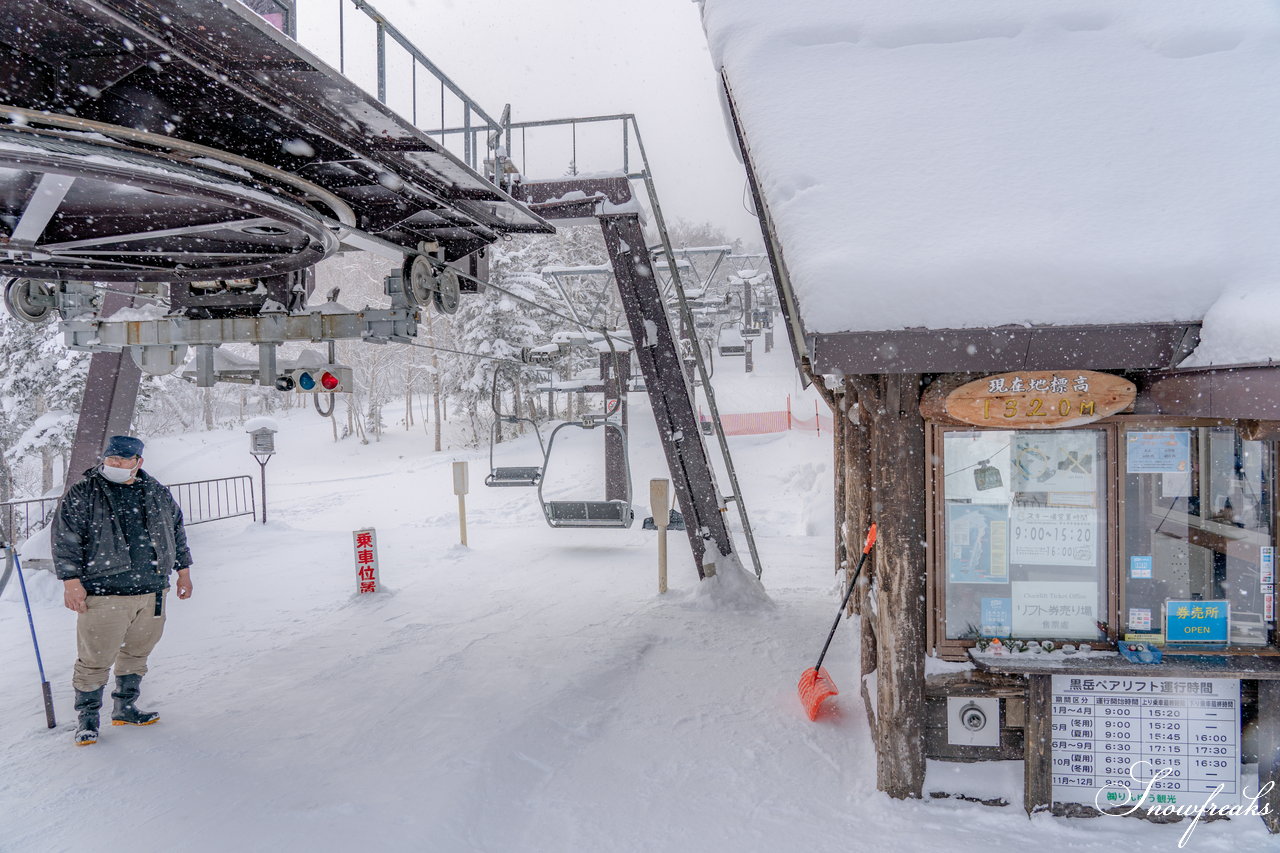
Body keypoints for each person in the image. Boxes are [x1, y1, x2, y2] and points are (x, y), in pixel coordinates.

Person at [52, 435, 193, 746]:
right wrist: (71, 581)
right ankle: (87, 719)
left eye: (122, 460)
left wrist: (183, 571)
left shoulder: (155, 491)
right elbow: (65, 538)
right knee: (95, 657)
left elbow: (176, 530)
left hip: (153, 589)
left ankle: (126, 707)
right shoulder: (84, 492)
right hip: (105, 593)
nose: (114, 464)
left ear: (137, 462)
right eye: (111, 459)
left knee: (137, 652)